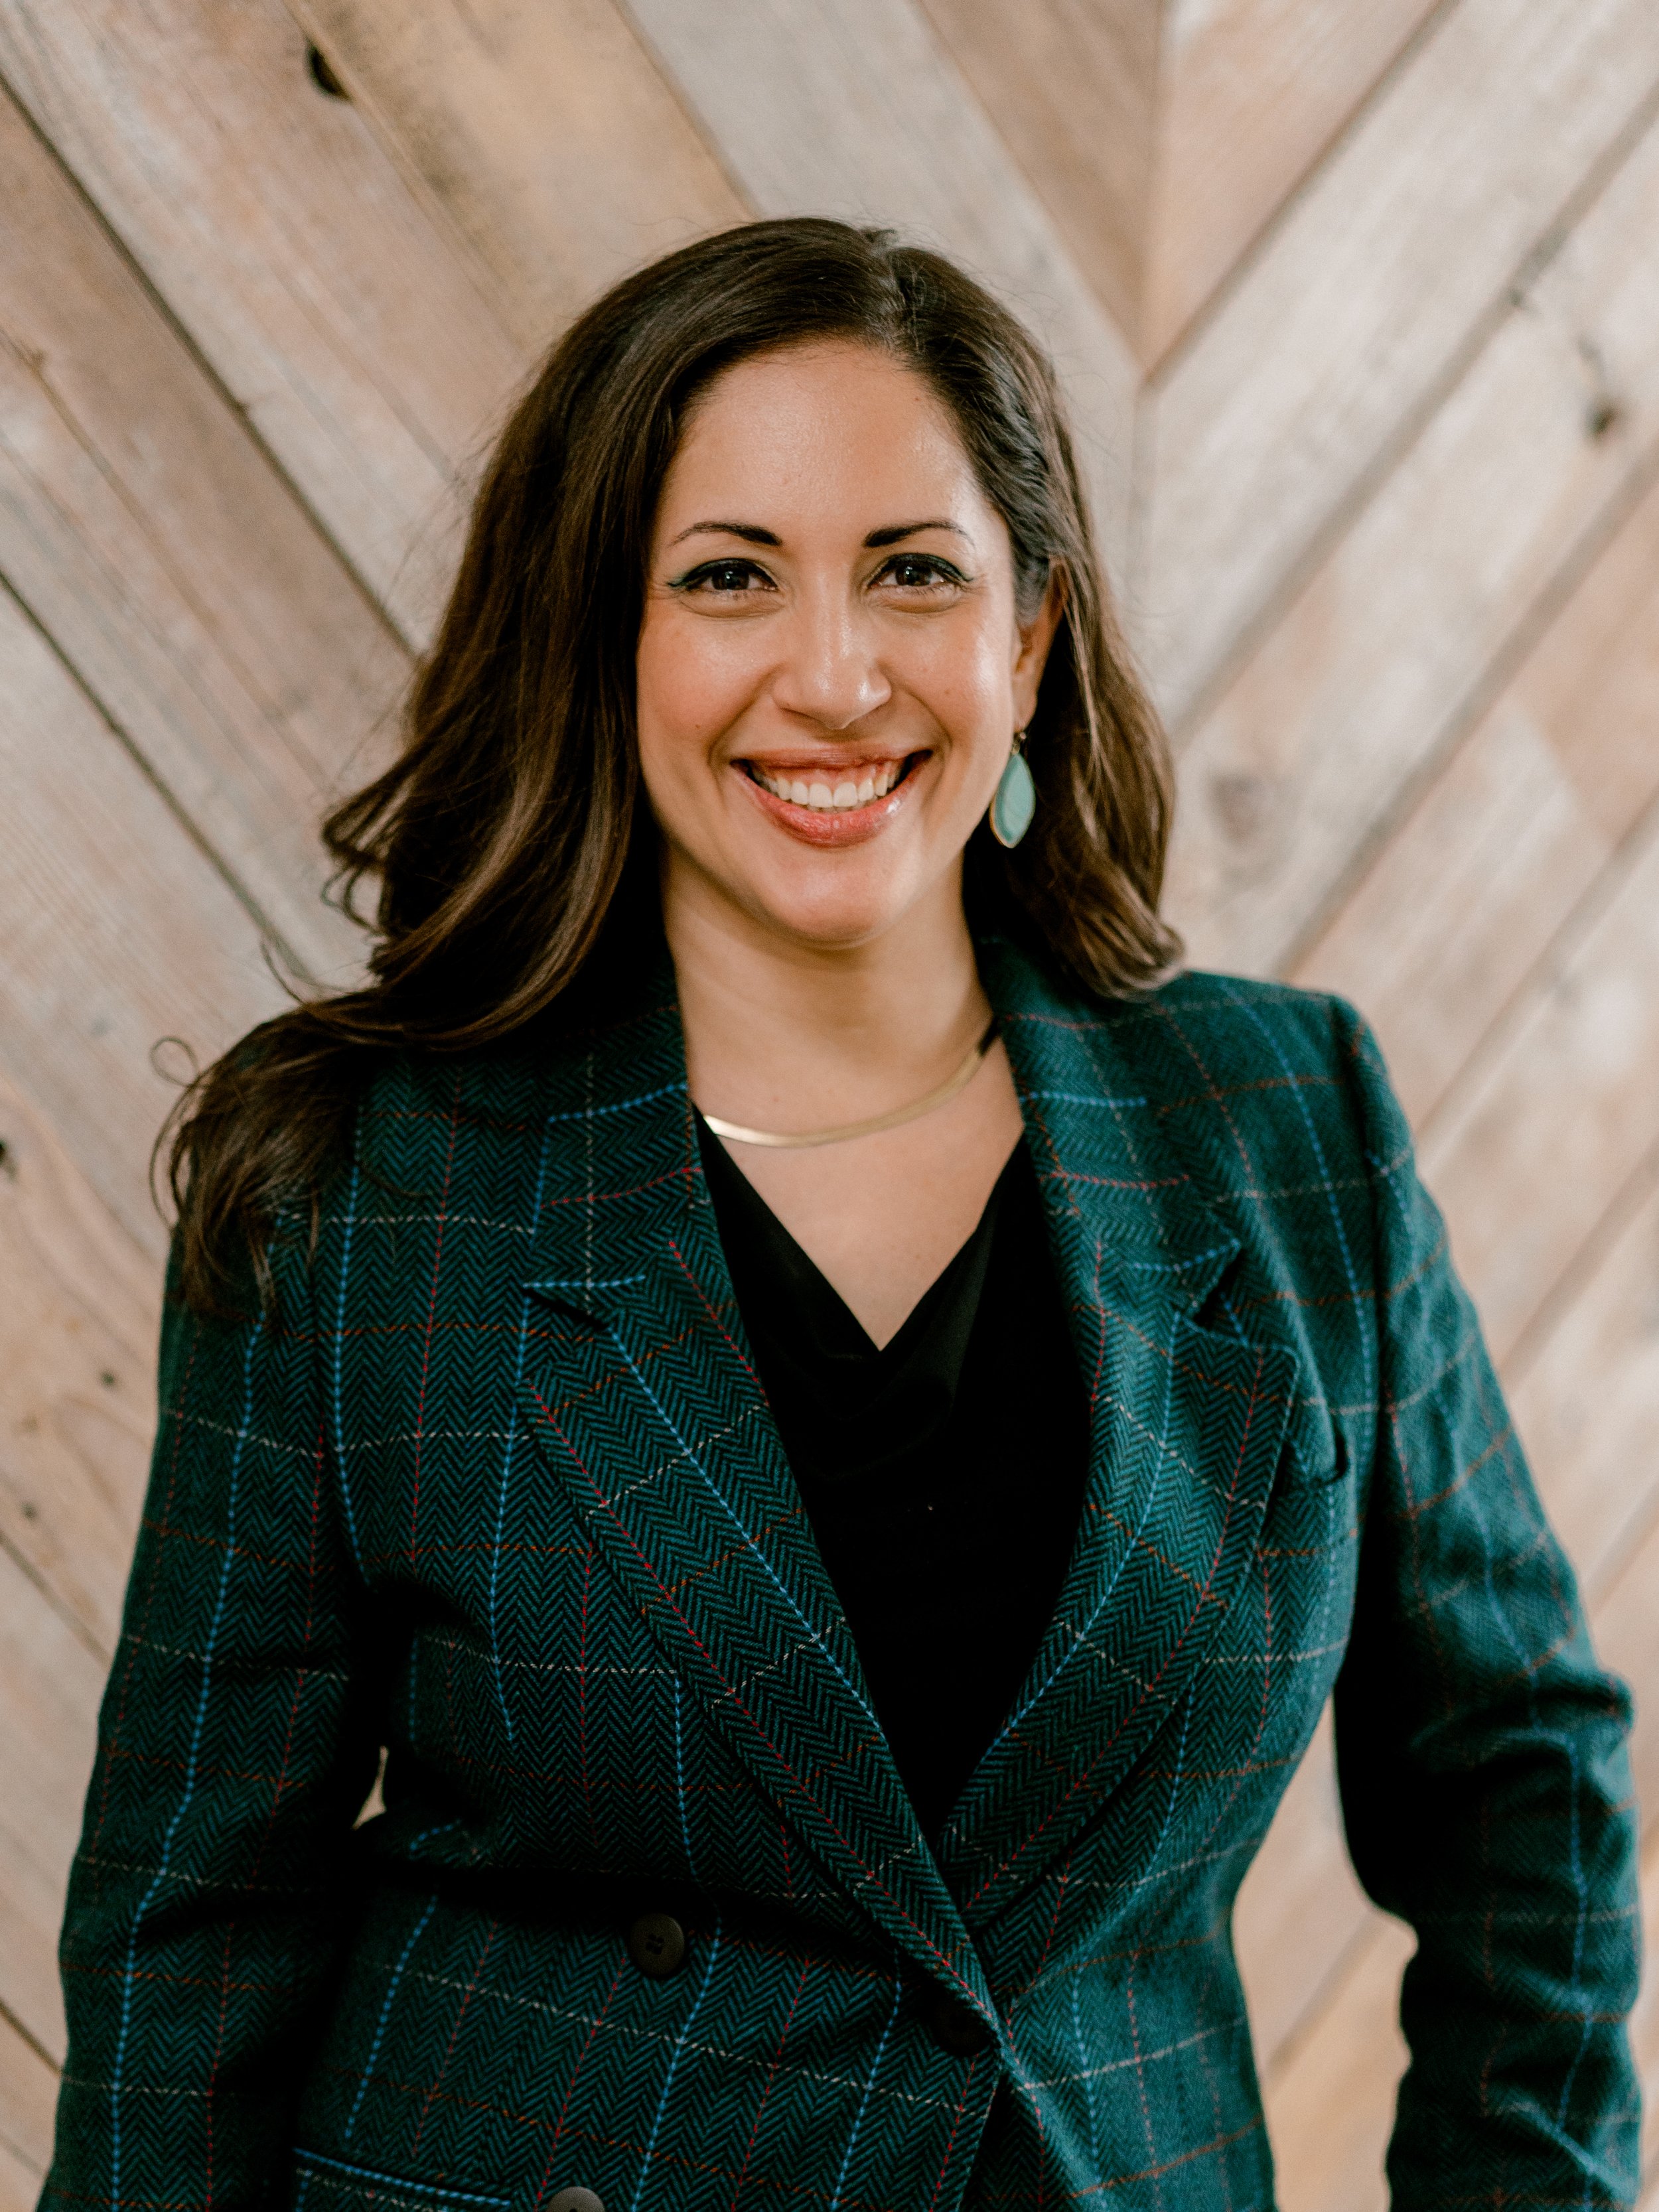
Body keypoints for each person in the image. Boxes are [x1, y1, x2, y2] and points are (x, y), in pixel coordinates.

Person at [43, 218, 1638, 2212]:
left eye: (912, 574)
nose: (831, 675)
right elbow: (193, 1923)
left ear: (1030, 636)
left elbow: (1523, 1784)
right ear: (605, 636)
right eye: (728, 578)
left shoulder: (1277, 1119)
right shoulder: (367, 1184)